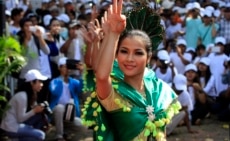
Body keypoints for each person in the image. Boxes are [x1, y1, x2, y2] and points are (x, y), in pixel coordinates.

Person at [82, 1, 181, 140]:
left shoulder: (160, 90)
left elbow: (161, 133)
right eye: (124, 51)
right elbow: (101, 75)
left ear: (148, 57)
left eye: (138, 53)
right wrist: (113, 34)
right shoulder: (115, 94)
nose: (129, 58)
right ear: (117, 54)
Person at [0, 69, 48, 141]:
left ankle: (18, 139)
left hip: (19, 124)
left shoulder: (32, 94)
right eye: (40, 81)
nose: (42, 84)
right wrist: (35, 110)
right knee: (41, 135)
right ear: (32, 82)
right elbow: (20, 118)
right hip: (12, 127)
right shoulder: (22, 96)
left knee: (41, 118)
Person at [49, 57, 84, 141]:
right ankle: (59, 136)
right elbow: (55, 92)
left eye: (68, 67)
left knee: (80, 124)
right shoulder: (54, 81)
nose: (67, 69)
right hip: (56, 113)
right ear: (59, 68)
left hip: (69, 113)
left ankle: (65, 132)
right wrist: (62, 78)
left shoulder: (73, 82)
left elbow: (81, 89)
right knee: (60, 107)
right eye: (64, 66)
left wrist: (81, 73)